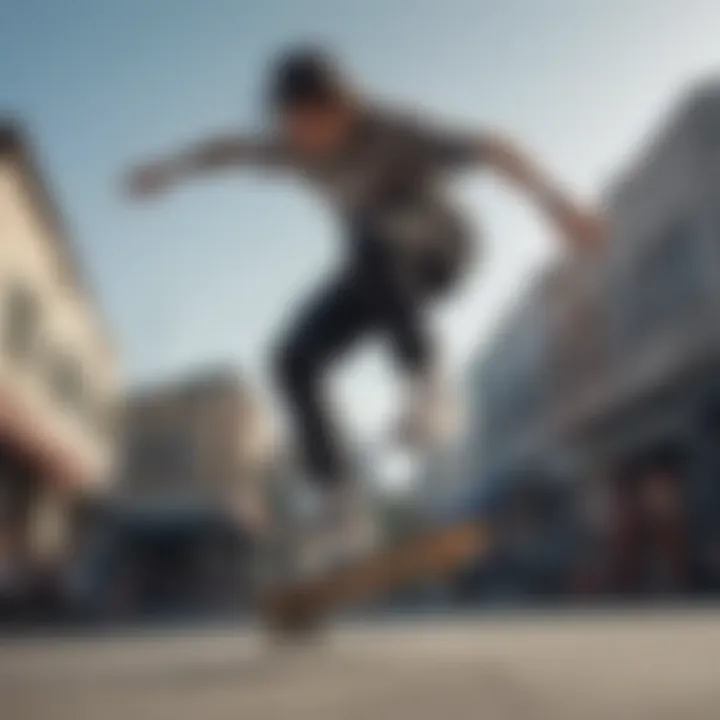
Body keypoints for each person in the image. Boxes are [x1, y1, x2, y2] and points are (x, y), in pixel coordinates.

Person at [124, 46, 603, 570]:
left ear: (341, 105)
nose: (301, 139)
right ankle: (343, 506)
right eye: (291, 126)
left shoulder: (394, 130)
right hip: (380, 274)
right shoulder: (292, 149)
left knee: (367, 226)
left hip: (443, 249)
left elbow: (495, 148)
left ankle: (428, 384)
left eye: (310, 123)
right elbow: (229, 151)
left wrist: (559, 206)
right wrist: (168, 170)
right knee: (291, 359)